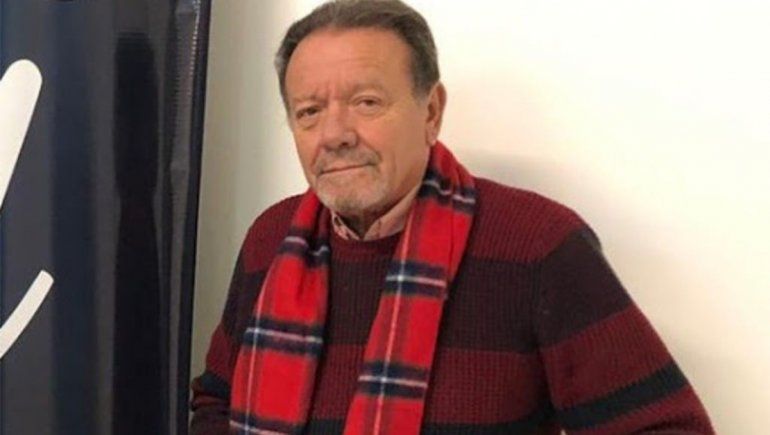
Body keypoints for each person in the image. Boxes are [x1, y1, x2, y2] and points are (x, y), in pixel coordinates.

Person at [191, 1, 714, 433]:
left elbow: (666, 427)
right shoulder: (271, 239)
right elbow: (215, 403)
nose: (335, 134)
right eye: (309, 112)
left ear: (431, 112)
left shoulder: (538, 245)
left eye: (366, 102)